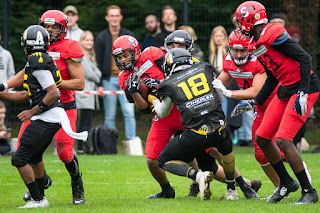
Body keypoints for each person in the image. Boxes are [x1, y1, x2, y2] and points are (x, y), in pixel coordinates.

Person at [232, 1, 319, 204]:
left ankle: (309, 191)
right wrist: (255, 102)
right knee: (262, 137)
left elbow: (305, 59)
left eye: (241, 21)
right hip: (286, 87)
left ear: (251, 19)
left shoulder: (274, 34)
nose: (239, 26)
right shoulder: (256, 43)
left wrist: (304, 93)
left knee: (283, 139)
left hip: (303, 87)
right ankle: (286, 183)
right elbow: (272, 76)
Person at [5, 25, 87, 208]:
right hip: (43, 107)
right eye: (47, 26)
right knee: (26, 152)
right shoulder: (39, 55)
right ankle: (39, 189)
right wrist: (4, 86)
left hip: (58, 108)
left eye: (54, 27)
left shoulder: (62, 49)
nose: (50, 29)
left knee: (65, 153)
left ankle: (75, 183)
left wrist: (50, 83)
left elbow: (79, 83)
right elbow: (26, 75)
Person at [153, 48, 237, 200]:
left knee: (162, 160)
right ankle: (232, 190)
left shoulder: (169, 83)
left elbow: (163, 112)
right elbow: (220, 98)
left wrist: (154, 101)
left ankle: (198, 175)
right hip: (220, 128)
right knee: (226, 153)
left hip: (196, 135)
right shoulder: (205, 68)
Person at [95, 5, 136, 141]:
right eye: (111, 16)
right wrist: (99, 83)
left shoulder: (129, 36)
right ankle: (110, 143)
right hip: (108, 80)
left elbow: (137, 59)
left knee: (129, 112)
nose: (114, 18)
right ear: (107, 18)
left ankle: (131, 141)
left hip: (127, 78)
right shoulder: (101, 38)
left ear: (121, 17)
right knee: (110, 114)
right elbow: (98, 63)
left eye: (116, 15)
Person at [75, 31, 102, 154]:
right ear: (81, 41)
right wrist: (97, 75)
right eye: (87, 40)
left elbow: (96, 72)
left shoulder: (90, 56)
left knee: (86, 122)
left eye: (91, 40)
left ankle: (84, 147)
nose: (89, 42)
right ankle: (82, 148)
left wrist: (96, 73)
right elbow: (91, 74)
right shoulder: (82, 56)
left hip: (89, 95)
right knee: (84, 123)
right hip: (84, 95)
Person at [0, 31, 15, 126]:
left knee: (3, 118)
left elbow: (11, 74)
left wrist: (8, 90)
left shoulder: (6, 54)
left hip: (4, 93)